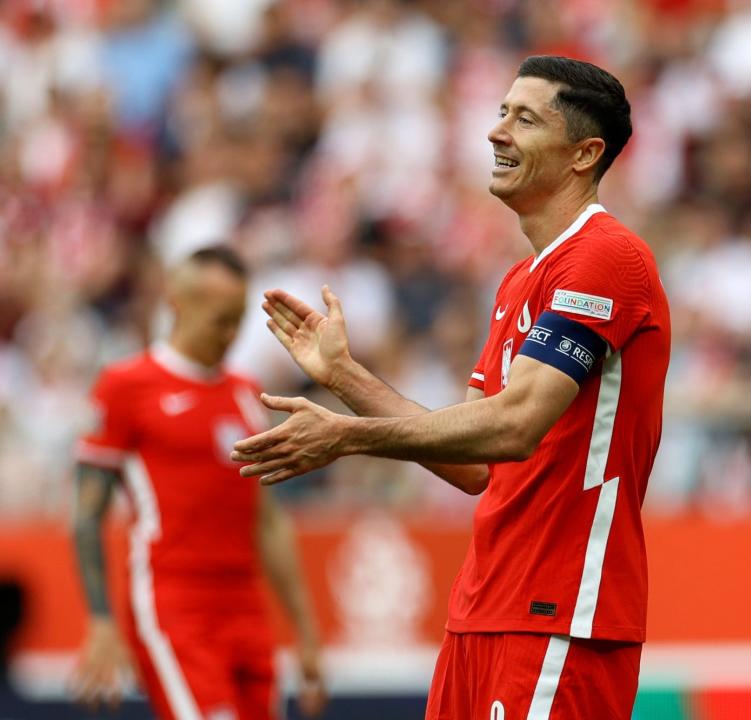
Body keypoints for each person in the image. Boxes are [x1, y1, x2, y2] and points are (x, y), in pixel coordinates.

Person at [233, 56, 671, 719]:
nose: (497, 132)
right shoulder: (520, 280)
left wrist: (346, 437)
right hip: (483, 609)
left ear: (585, 154)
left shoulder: (607, 256)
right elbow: (473, 464)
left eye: (525, 119)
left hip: (560, 612)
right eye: (500, 113)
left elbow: (516, 424)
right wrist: (347, 378)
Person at [72, 246, 326, 720]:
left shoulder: (247, 394)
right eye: (220, 319)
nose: (230, 334)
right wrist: (100, 620)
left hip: (246, 603)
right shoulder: (126, 386)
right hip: (174, 602)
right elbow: (87, 513)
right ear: (178, 303)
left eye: (238, 320)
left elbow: (268, 521)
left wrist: (307, 633)